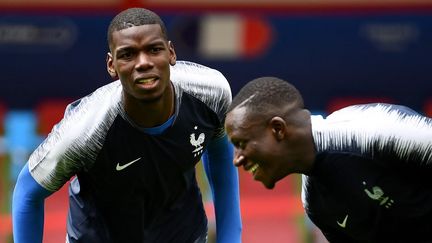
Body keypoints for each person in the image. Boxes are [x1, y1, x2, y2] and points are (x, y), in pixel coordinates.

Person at [12, 8, 242, 243]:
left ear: (171, 53)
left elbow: (220, 152)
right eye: (128, 54)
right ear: (112, 65)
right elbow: (27, 193)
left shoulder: (209, 92)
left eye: (154, 49)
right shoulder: (84, 129)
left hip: (183, 234)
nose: (143, 63)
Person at [224, 76, 432, 242]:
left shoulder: (378, 130)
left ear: (278, 129)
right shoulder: (314, 203)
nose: (238, 159)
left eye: (242, 144)